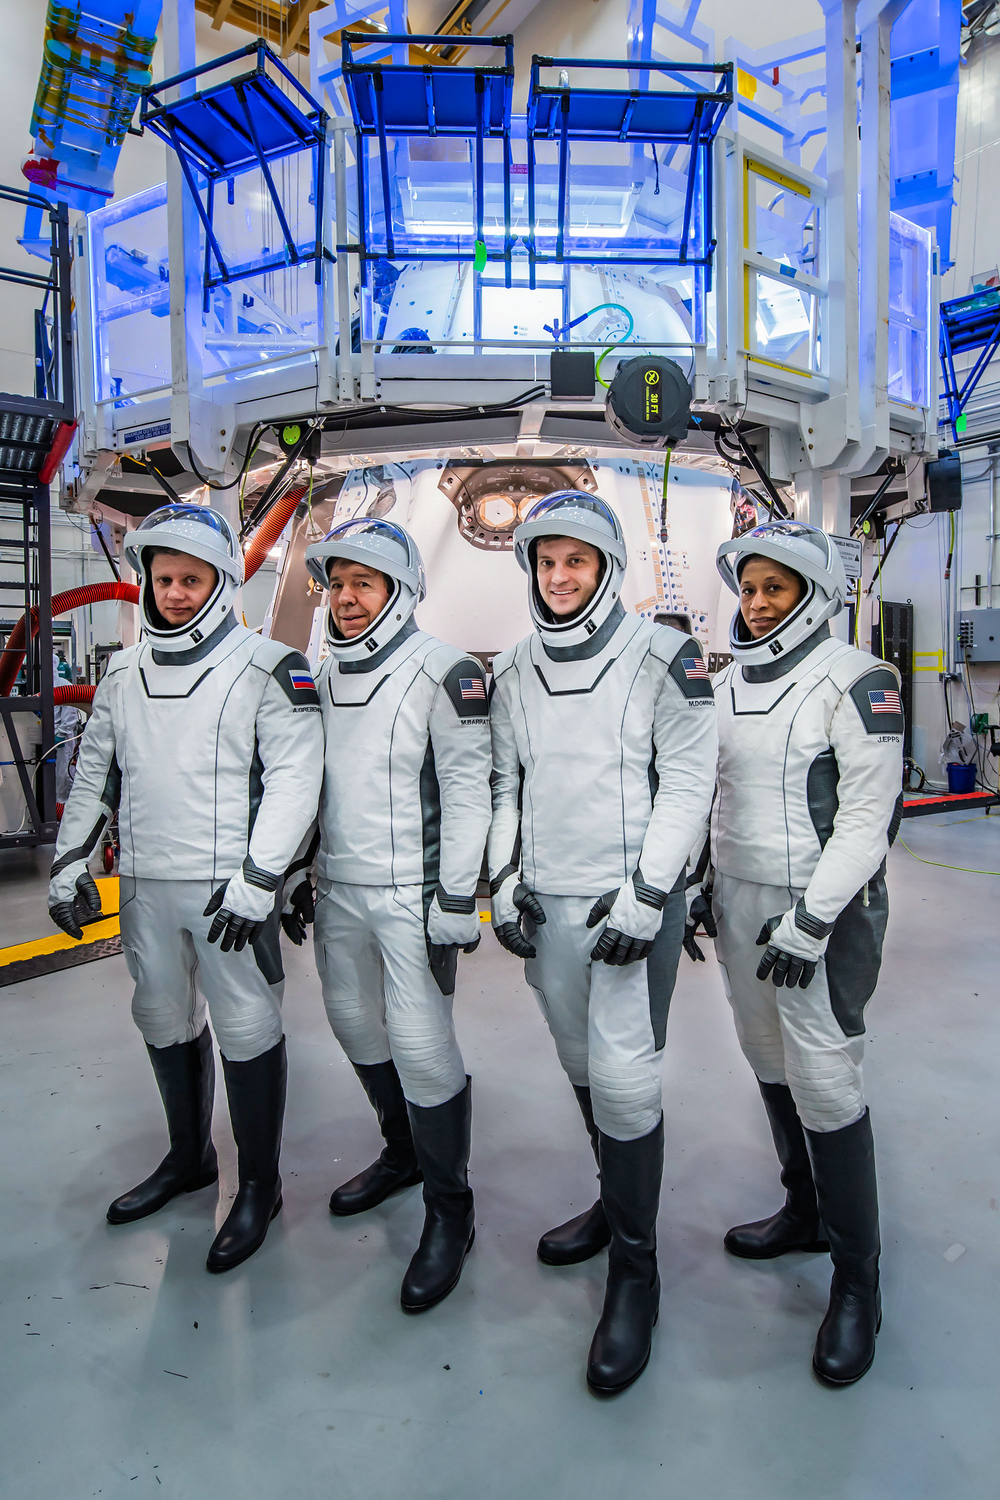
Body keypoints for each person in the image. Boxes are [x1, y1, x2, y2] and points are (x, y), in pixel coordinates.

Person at [48, 505, 323, 1272]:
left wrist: (261, 876)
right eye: (162, 578)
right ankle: (189, 1159)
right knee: (162, 1016)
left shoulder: (270, 665)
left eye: (189, 579)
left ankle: (260, 1185)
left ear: (221, 581)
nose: (173, 593)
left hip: (229, 892)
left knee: (246, 1024)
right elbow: (97, 769)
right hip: (143, 881)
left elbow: (298, 780)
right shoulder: (122, 672)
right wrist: (69, 862)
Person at [488, 492, 718, 1395]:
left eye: (575, 561)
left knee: (624, 1080)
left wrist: (650, 894)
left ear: (608, 567)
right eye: (545, 562)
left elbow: (688, 779)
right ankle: (614, 1204)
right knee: (582, 1067)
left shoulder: (664, 657)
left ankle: (637, 1272)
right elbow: (507, 780)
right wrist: (502, 879)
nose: (558, 577)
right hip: (549, 907)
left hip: (628, 912)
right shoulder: (513, 667)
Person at [687, 521, 903, 1386]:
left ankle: (860, 1284)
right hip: (740, 903)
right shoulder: (730, 680)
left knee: (825, 1076)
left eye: (776, 588)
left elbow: (868, 817)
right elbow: (713, 793)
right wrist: (706, 880)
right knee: (766, 1058)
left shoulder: (859, 680)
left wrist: (812, 921)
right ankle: (804, 1210)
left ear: (813, 594)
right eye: (749, 588)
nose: (758, 603)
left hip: (823, 911)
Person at [296, 519, 491, 1313]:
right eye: (337, 584)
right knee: (352, 1024)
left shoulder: (444, 671)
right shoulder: (321, 673)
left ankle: (452, 1210)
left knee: (420, 1042)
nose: (346, 599)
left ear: (400, 590)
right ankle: (402, 1152)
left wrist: (457, 896)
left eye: (362, 584)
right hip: (338, 887)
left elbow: (473, 788)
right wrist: (292, 873)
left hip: (412, 897)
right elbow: (303, 781)